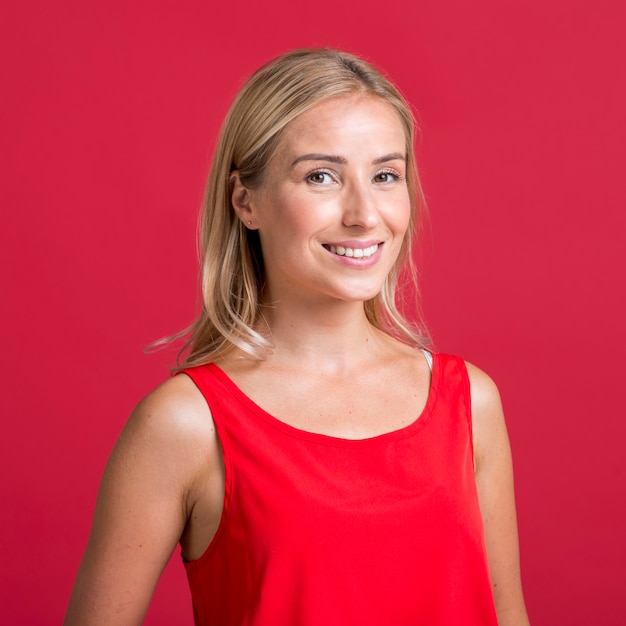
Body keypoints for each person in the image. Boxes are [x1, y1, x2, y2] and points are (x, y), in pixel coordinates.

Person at [64, 48, 530, 625]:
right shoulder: (186, 425)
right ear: (246, 201)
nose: (364, 214)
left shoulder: (469, 402)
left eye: (386, 175)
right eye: (321, 176)